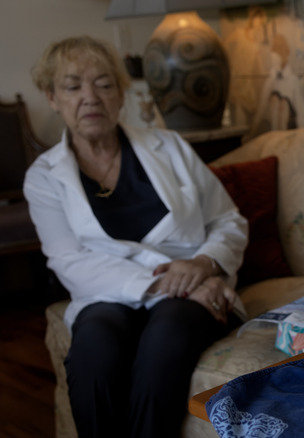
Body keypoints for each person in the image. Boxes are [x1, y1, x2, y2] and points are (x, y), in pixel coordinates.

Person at [24, 36, 249, 438]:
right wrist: (169, 283)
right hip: (109, 291)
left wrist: (202, 264)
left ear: (122, 94)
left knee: (166, 339)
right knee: (93, 352)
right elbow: (68, 261)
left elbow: (228, 220)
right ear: (52, 97)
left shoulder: (170, 146)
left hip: (194, 288)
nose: (90, 97)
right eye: (73, 86)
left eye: (104, 84)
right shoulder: (44, 177)